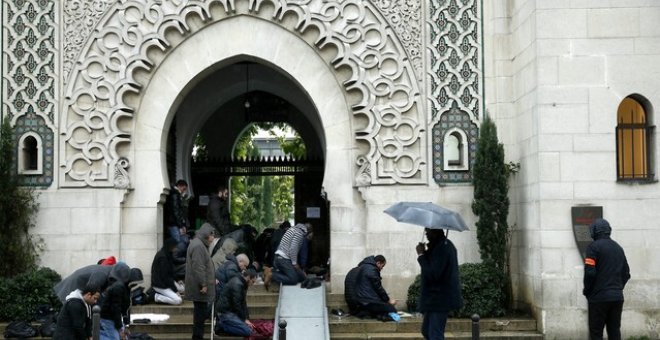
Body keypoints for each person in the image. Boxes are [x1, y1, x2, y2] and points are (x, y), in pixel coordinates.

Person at [583, 218, 630, 340]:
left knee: (596, 333)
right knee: (614, 332)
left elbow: (590, 273)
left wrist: (587, 291)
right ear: (608, 231)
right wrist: (617, 288)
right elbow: (626, 273)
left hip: (598, 298)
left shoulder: (593, 248)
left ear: (594, 231)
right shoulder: (618, 248)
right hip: (617, 297)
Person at [416, 228, 463, 340]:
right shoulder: (439, 246)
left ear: (435, 232)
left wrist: (421, 255)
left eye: (428, 232)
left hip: (439, 299)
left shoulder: (443, 247)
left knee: (435, 335)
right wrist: (426, 252)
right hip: (434, 299)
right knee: (427, 331)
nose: (426, 234)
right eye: (426, 231)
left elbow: (434, 273)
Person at [185, 223, 216, 340]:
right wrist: (203, 284)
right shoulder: (198, 246)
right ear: (206, 235)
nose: (213, 239)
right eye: (212, 236)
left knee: (200, 315)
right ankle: (197, 337)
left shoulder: (199, 244)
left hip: (199, 286)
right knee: (199, 316)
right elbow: (199, 267)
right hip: (199, 288)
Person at [344, 255, 397, 320]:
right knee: (392, 309)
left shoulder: (361, 268)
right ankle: (365, 312)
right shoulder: (371, 269)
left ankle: (364, 312)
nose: (381, 269)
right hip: (362, 302)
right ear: (378, 263)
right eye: (382, 266)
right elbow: (378, 288)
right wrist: (388, 300)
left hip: (353, 303)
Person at [215, 268, 258, 337]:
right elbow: (237, 305)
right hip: (225, 312)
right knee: (248, 331)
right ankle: (222, 326)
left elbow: (243, 303)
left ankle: (223, 325)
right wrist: (244, 319)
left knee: (250, 328)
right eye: (252, 281)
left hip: (230, 311)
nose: (252, 284)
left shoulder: (242, 283)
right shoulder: (237, 284)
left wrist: (246, 318)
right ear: (248, 277)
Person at [271, 222, 311, 287]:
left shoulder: (293, 229)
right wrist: (295, 263)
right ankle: (272, 275)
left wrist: (301, 271)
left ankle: (273, 272)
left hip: (280, 258)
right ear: (307, 231)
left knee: (301, 277)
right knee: (293, 279)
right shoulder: (299, 233)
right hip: (283, 259)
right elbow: (293, 248)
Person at [99, 262, 131, 340]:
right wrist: (120, 327)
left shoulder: (118, 286)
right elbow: (116, 308)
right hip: (109, 318)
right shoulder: (119, 287)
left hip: (111, 318)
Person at [151, 238, 183, 305]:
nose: (176, 249)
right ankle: (156, 296)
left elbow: (171, 271)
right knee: (178, 300)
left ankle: (169, 293)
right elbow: (166, 277)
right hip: (160, 285)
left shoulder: (168, 254)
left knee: (182, 288)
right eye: (175, 247)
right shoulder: (163, 257)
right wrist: (175, 290)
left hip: (165, 282)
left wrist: (178, 280)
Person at [166, 179, 189, 252]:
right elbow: (176, 211)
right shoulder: (175, 195)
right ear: (179, 186)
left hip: (174, 223)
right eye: (184, 189)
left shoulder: (176, 194)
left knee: (180, 242)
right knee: (178, 243)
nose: (184, 191)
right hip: (173, 224)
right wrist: (181, 226)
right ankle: (176, 260)